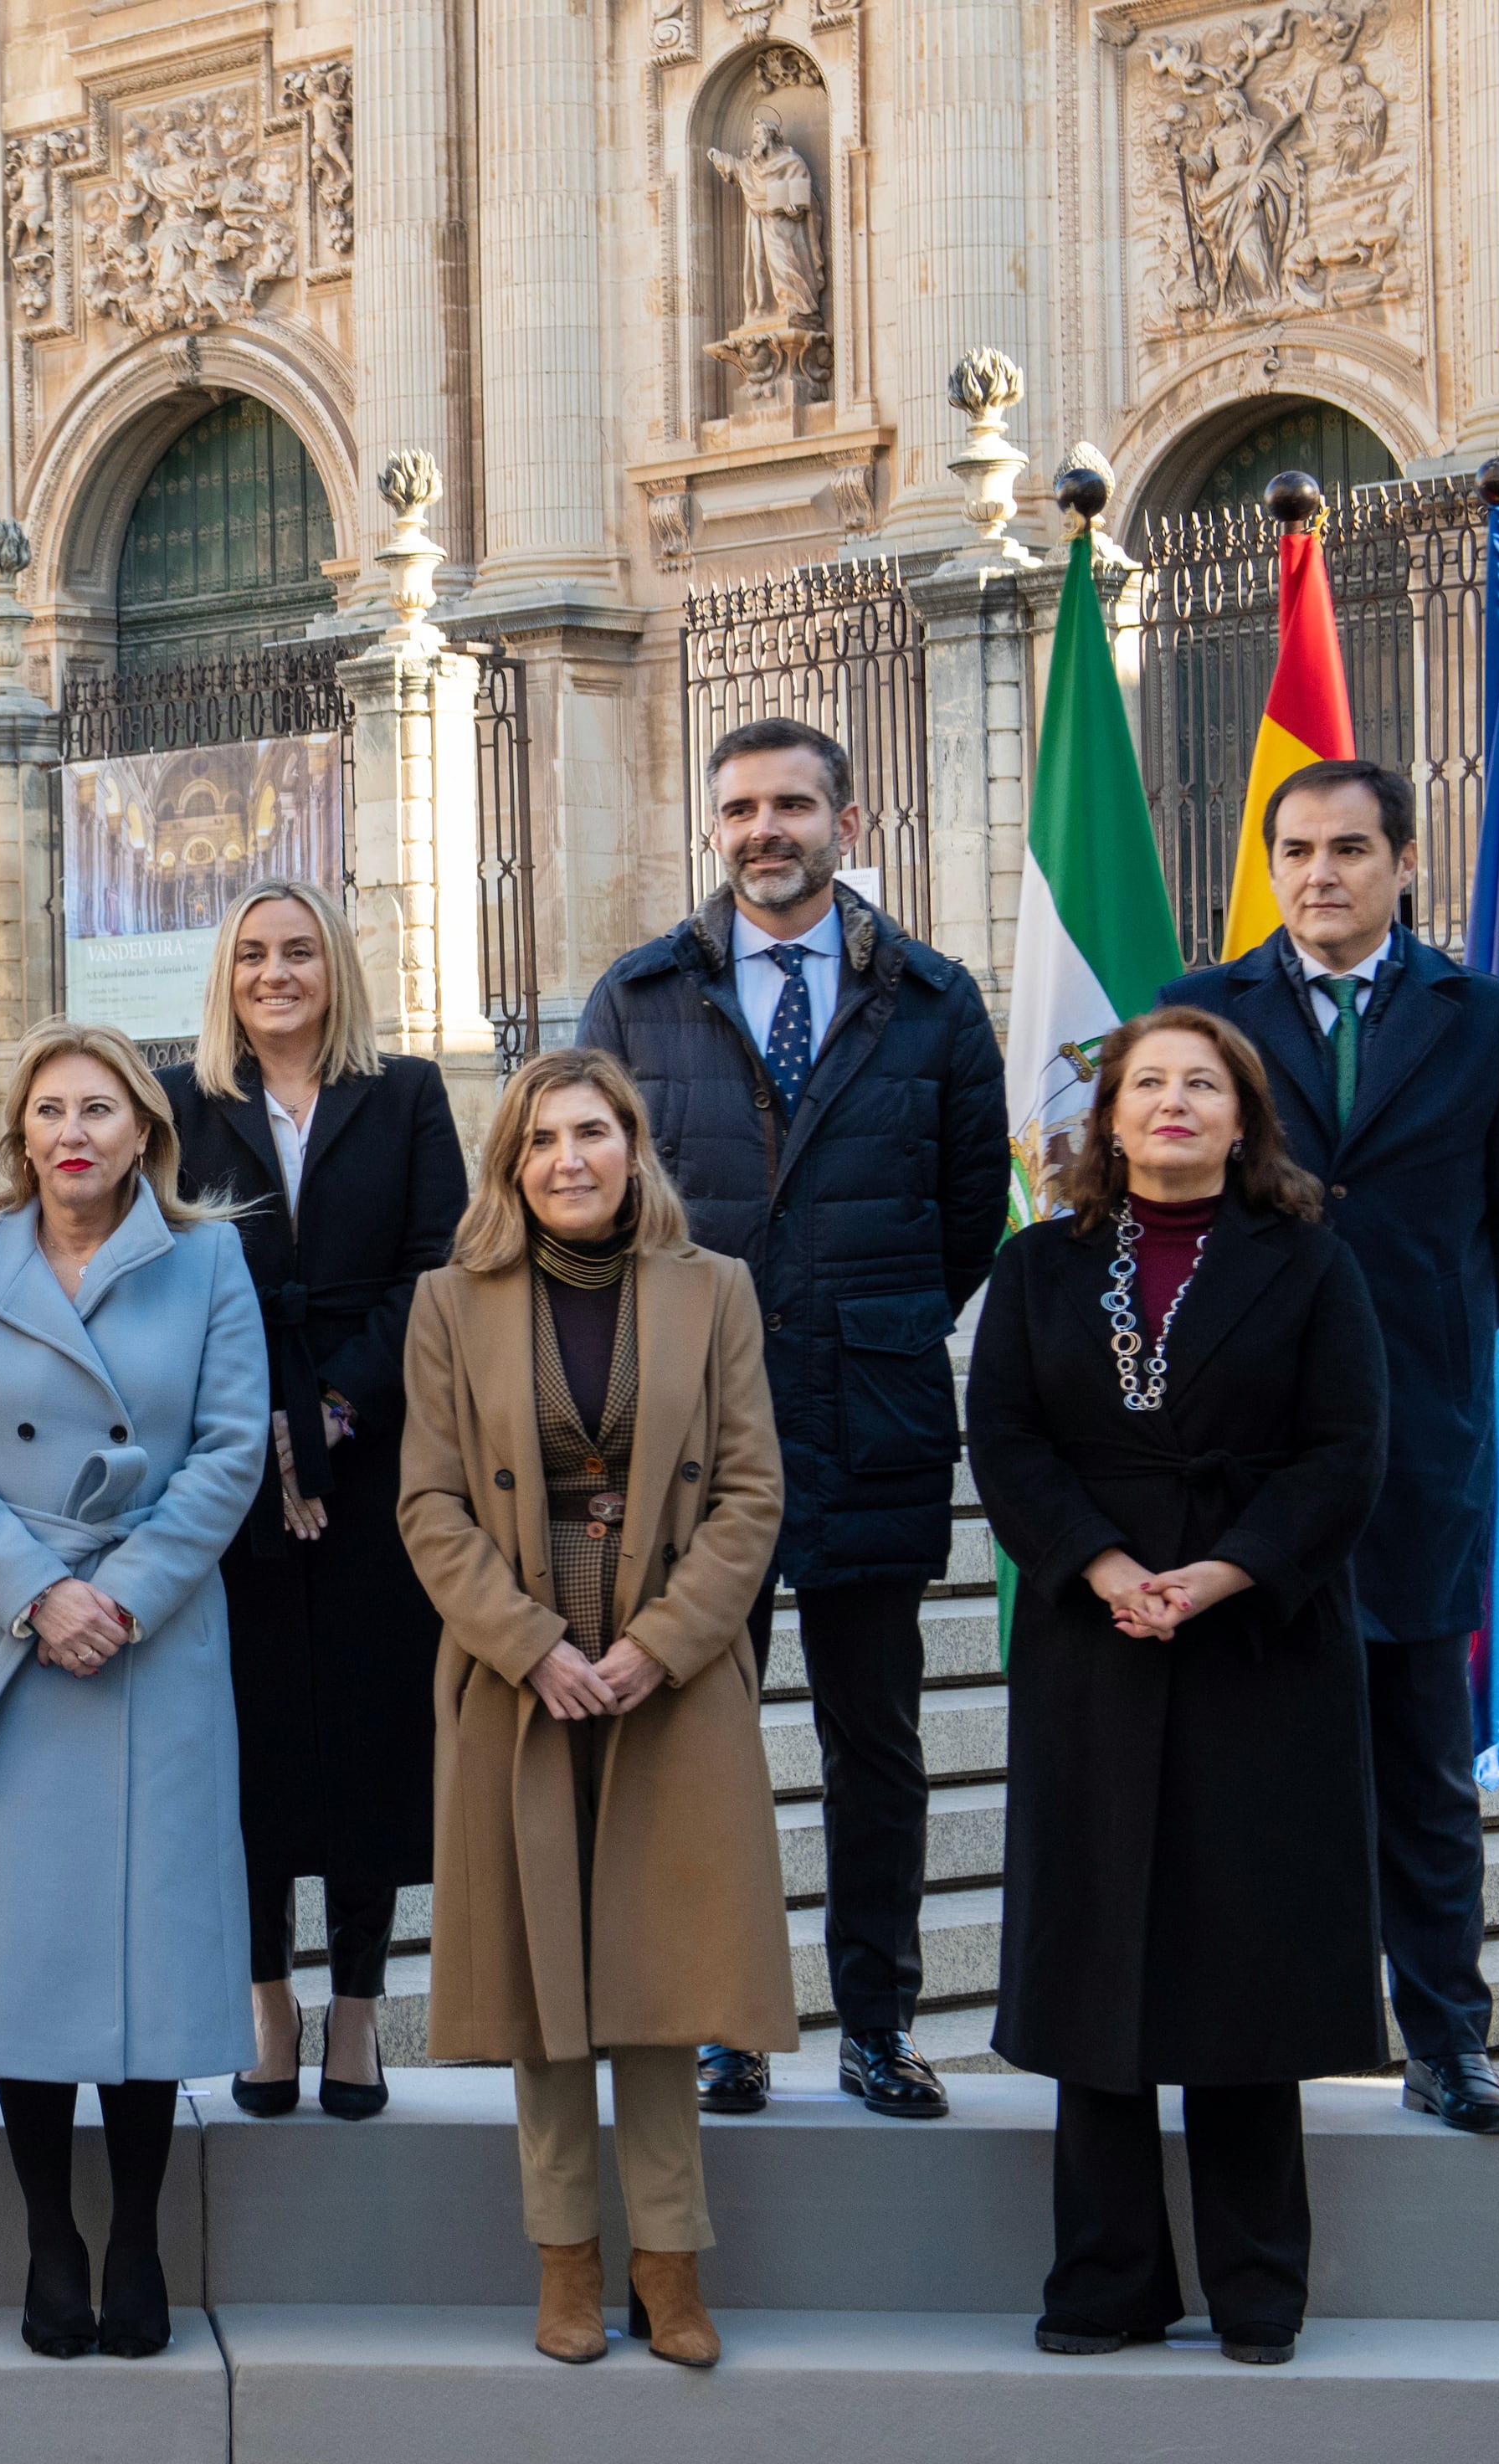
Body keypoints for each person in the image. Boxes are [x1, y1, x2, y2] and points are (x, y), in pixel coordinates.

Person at [577, 716, 1003, 2121]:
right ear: (714, 827)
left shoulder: (936, 1002)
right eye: (742, 806)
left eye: (794, 805)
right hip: (691, 1442)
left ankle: (876, 2021)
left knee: (874, 1741)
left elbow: (965, 1222)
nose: (767, 829)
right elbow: (598, 1204)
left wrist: (854, 1317)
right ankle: (724, 2021)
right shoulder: (640, 998)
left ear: (846, 816)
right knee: (706, 1738)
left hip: (873, 1415)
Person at [968, 1008, 1389, 2364]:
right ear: (1109, 1117)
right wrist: (1098, 1565)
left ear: (1244, 1116)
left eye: (1201, 1083)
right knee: (1099, 1955)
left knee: (1244, 1962)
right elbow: (1007, 1435)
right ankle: (1107, 2277)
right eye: (1148, 1081)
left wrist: (1220, 1571)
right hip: (1096, 1645)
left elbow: (1344, 1450)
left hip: (1259, 1645)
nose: (1171, 1102)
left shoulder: (1313, 1266)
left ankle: (1258, 2282)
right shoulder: (1038, 1267)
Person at [1159, 758, 1499, 2139]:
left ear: (1402, 859)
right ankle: (1247, 2041)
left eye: (1348, 848)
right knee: (1249, 1771)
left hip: (1415, 1451)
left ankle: (1446, 2039)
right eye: (1294, 849)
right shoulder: (1207, 1012)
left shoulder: (1482, 1018)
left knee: (1421, 1768)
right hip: (1244, 1465)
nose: (1319, 873)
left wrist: (1420, 1340)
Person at [395, 1048, 790, 2370]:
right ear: (511, 1165)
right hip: (524, 1680)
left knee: (660, 1981)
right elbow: (431, 1505)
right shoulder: (451, 1302)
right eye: (542, 1139)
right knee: (544, 1983)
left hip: (667, 1676)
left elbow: (750, 1495)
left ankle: (668, 2266)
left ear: (634, 1146)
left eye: (594, 1132)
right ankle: (565, 2262)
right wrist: (532, 1645)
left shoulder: (714, 1290)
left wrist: (660, 1645)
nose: (569, 1158)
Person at [0, 1019, 268, 2359]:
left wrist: (126, 1591)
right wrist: (39, 1591)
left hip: (152, 1639)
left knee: (147, 1956)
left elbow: (230, 1452)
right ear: (21, 1130)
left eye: (101, 1108)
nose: (74, 1130)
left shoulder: (209, 1257)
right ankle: (52, 2232)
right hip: (12, 1638)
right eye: (50, 1106)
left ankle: (137, 2233)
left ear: (144, 1133)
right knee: (29, 1952)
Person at [157, 882, 465, 2120]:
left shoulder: (406, 1095)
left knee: (369, 1735)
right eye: (251, 954)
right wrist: (264, 1424)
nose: (275, 972)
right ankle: (267, 2001)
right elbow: (168, 1268)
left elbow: (436, 1263)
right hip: (230, 1460)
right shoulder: (182, 1102)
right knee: (256, 1739)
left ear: (334, 965)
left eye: (297, 951)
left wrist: (335, 1409)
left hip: (374, 1456)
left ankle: (357, 2007)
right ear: (226, 976)